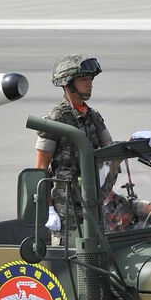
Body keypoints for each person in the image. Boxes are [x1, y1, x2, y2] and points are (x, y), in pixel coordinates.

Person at [34, 55, 113, 234]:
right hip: (67, 213)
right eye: (83, 79)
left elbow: (111, 152)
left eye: (91, 79)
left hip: (93, 205)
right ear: (68, 84)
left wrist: (133, 141)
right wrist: (49, 209)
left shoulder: (94, 117)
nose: (90, 84)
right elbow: (40, 170)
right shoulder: (56, 120)